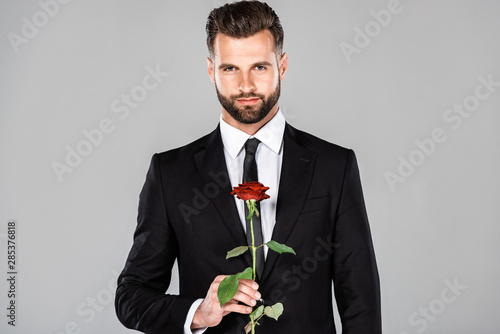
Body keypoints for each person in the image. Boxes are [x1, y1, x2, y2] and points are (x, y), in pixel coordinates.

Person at [115, 1, 381, 333]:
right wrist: (199, 312)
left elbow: (361, 302)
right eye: (230, 69)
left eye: (259, 67)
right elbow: (130, 296)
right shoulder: (170, 173)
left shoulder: (334, 167)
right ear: (211, 70)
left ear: (281, 66)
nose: (245, 86)